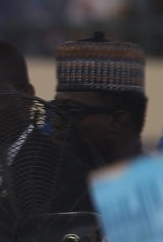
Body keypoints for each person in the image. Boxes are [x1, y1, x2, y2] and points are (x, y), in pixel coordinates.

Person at [50, 33, 148, 167]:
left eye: (69, 110)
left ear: (117, 121)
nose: (55, 122)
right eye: (56, 108)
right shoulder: (58, 181)